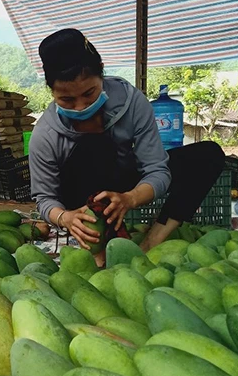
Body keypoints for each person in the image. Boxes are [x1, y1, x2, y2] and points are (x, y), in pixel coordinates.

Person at [29, 28, 224, 259]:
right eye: (67, 99)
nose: (80, 106)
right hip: (80, 198)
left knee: (208, 155)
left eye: (89, 93)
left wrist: (130, 198)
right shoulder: (45, 134)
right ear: (51, 91)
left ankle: (153, 240)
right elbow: (45, 198)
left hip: (124, 182)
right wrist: (65, 217)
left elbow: (157, 170)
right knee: (93, 147)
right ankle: (97, 251)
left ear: (101, 71)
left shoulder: (132, 104)